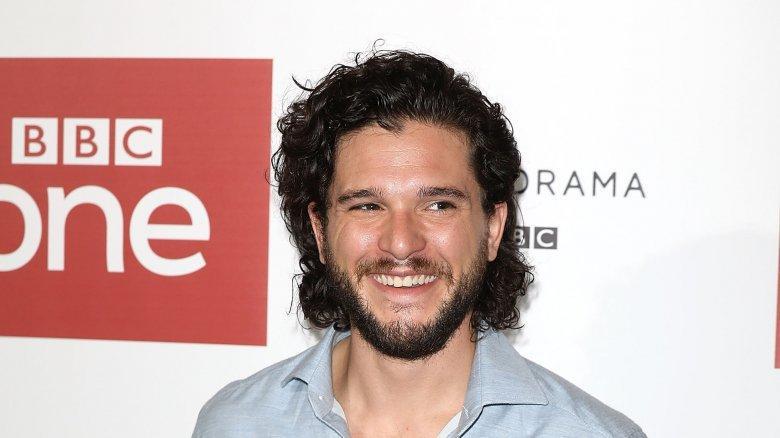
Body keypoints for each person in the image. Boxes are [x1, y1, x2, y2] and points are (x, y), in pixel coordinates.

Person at [192, 49, 646, 438]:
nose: (402, 244)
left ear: (492, 228)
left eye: (438, 205)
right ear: (320, 231)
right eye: (367, 206)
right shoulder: (236, 424)